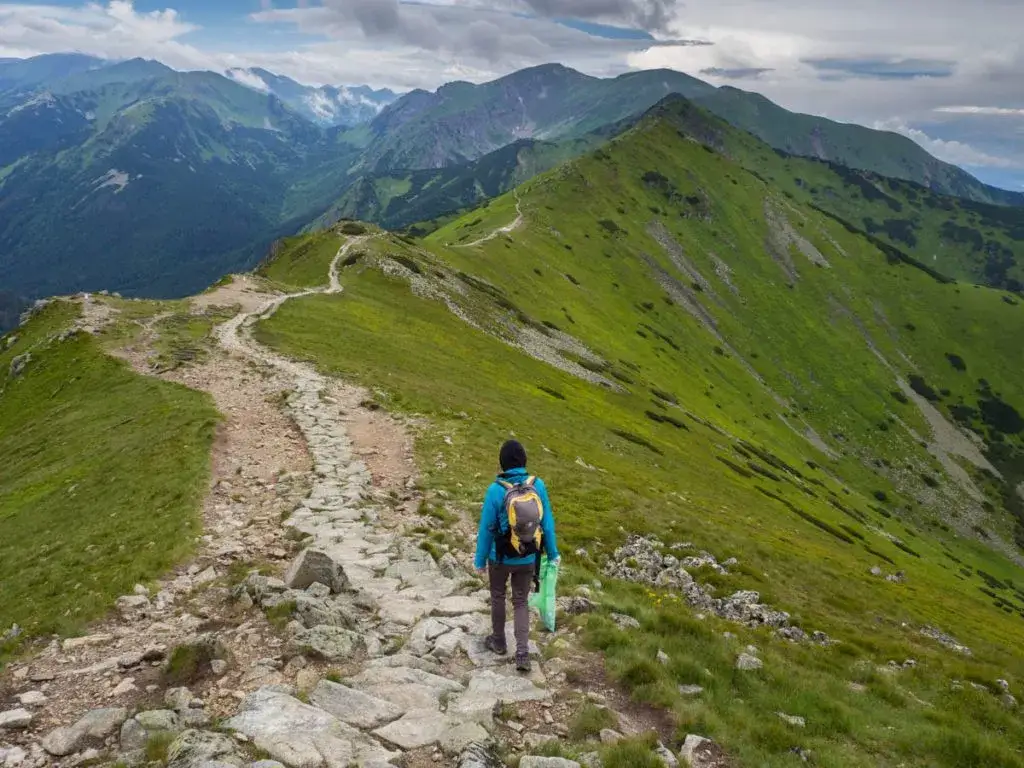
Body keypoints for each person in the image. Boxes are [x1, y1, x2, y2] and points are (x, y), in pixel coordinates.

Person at [474, 439, 560, 672]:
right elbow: (548, 523)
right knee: (520, 601)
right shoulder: (537, 485)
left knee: (498, 596)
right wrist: (553, 554)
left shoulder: (495, 490)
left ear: (502, 462)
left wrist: (480, 560)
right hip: (528, 556)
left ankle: (499, 642)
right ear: (523, 461)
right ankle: (523, 653)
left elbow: (486, 528)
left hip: (499, 557)